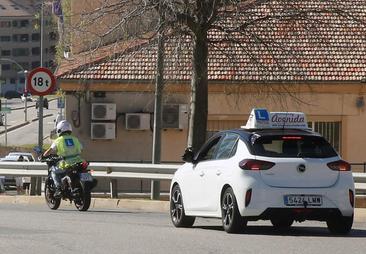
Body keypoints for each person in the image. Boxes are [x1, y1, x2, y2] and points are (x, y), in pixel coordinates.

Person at [43, 120, 83, 197]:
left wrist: (44, 155)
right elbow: (81, 149)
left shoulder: (58, 140)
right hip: (78, 162)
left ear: (59, 130)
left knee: (54, 172)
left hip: (66, 163)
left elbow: (49, 151)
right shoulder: (75, 139)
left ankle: (58, 189)